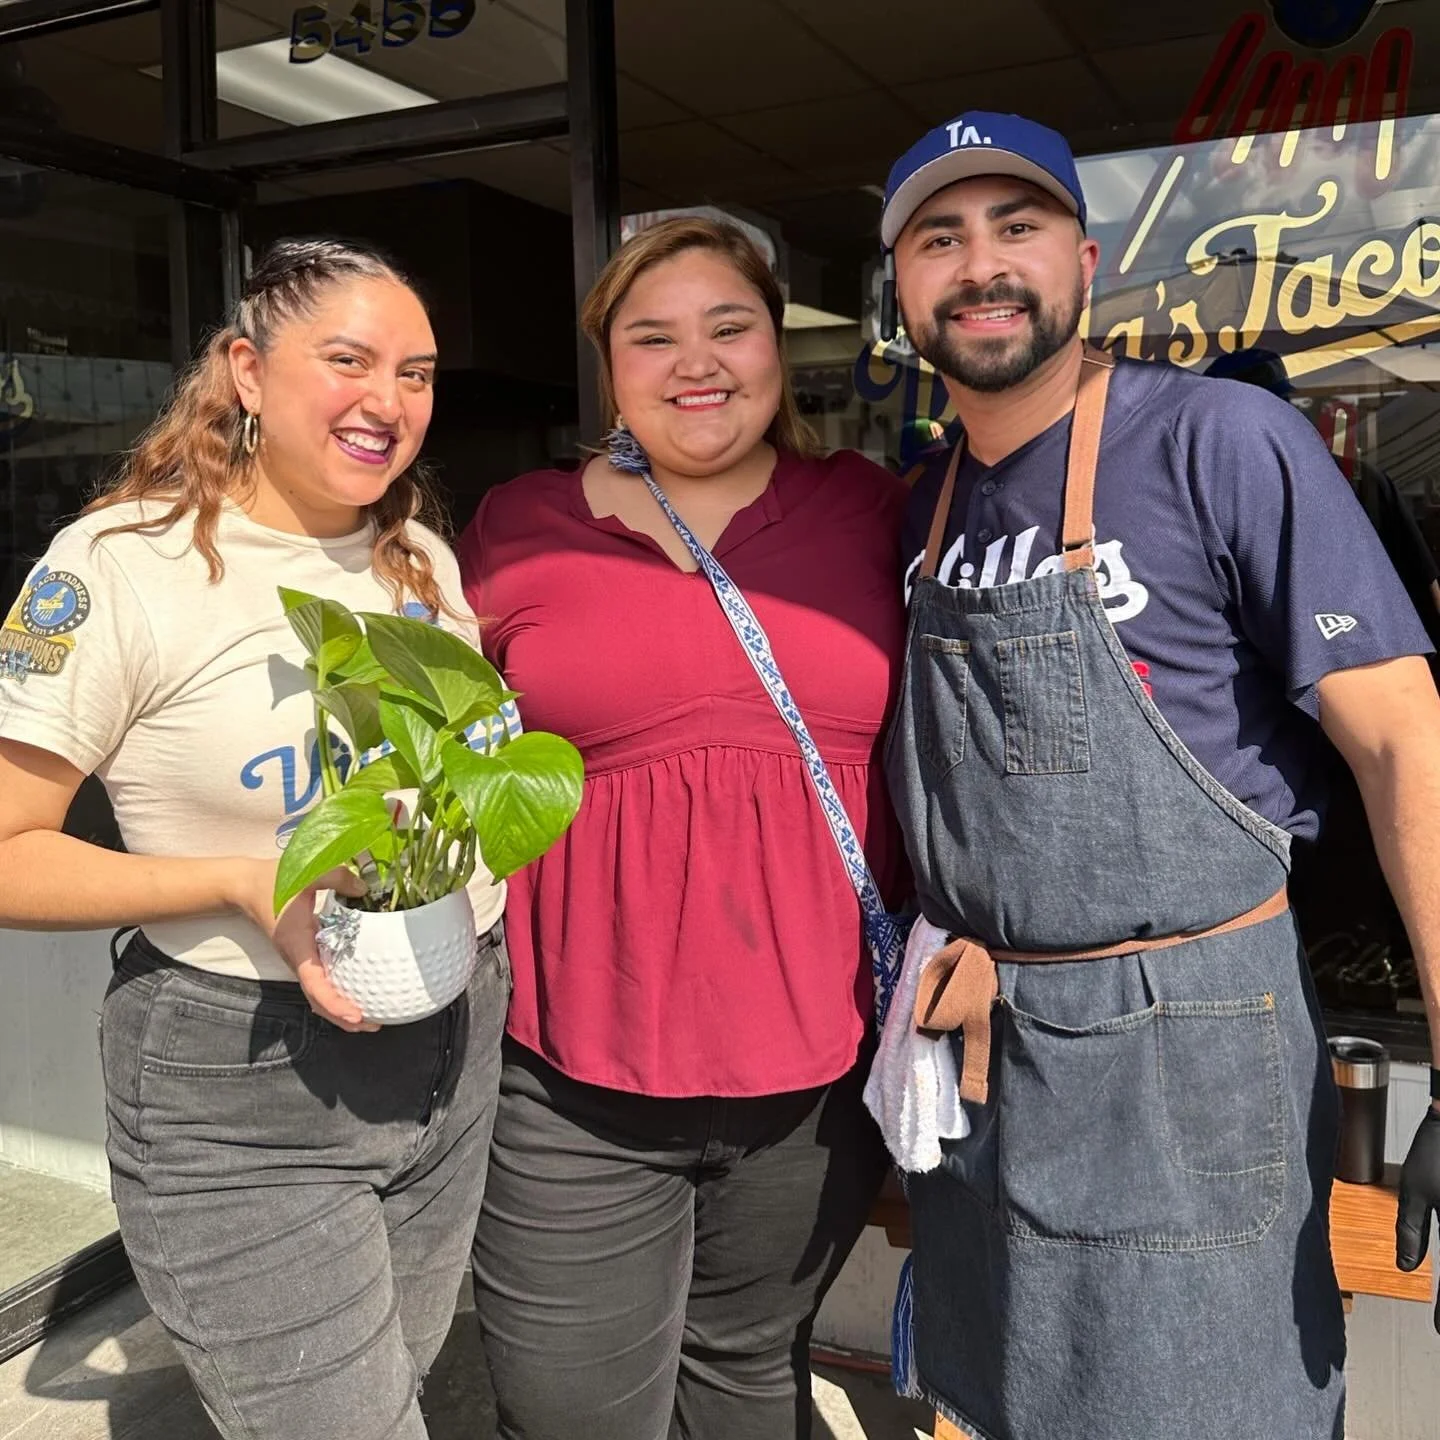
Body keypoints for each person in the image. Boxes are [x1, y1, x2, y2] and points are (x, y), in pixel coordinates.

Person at [874, 111, 1440, 1439]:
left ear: (1085, 256)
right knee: (1008, 1401)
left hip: (1188, 1057)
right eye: (940, 238)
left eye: (1017, 228)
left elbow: (1405, 738)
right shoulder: (927, 503)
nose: (982, 265)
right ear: (898, 286)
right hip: (987, 1059)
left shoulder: (1222, 441)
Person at [0, 238, 511, 1440]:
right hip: (244, 1072)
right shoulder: (124, 566)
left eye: (419, 373)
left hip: (453, 1046)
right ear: (246, 368)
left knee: (396, 1387)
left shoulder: (421, 562)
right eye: (348, 360)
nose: (389, 401)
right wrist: (239, 880)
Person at [456, 216, 907, 1440]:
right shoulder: (515, 526)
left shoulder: (875, 512)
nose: (694, 362)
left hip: (814, 1078)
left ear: (778, 347)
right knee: (568, 1414)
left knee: (749, 1378)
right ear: (611, 368)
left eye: (728, 326)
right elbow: (430, 754)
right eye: (651, 336)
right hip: (567, 1077)